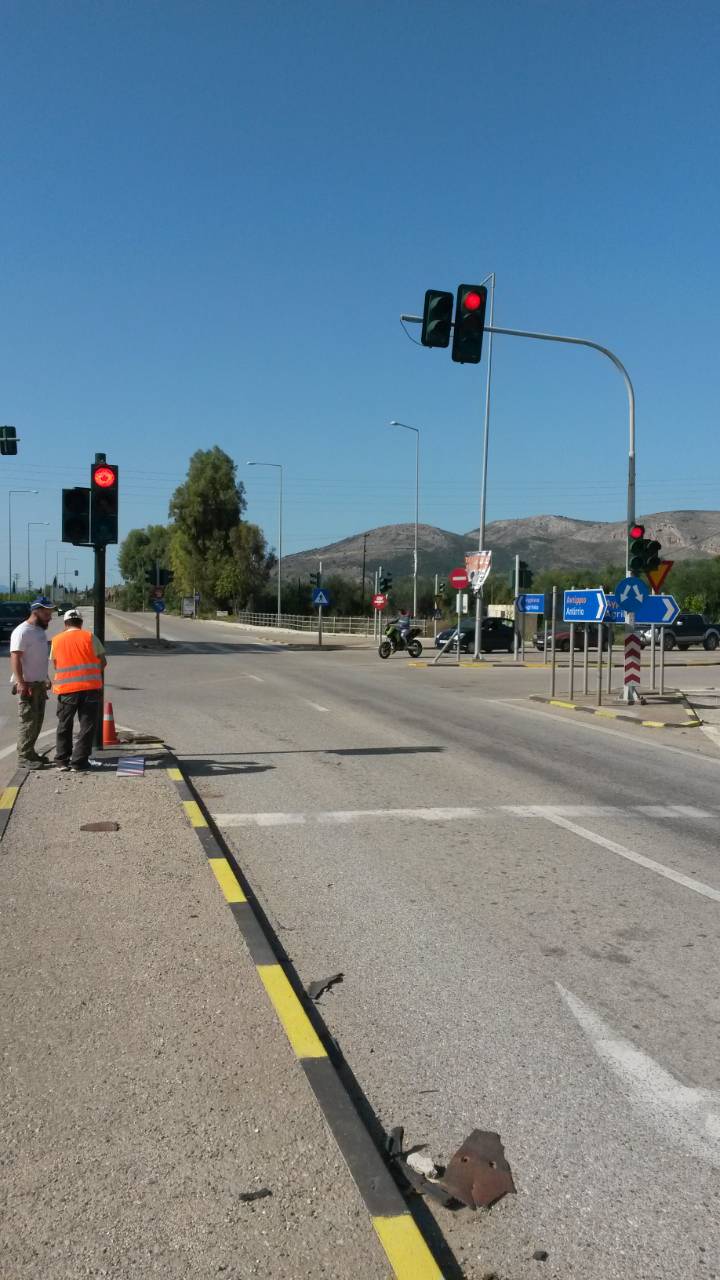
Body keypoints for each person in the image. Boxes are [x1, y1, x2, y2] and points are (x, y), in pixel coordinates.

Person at [50, 608, 106, 772]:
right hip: (90, 688)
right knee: (87, 726)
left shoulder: (56, 640)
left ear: (65, 623)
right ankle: (79, 762)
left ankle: (62, 760)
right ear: (80, 623)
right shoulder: (90, 637)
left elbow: (55, 664)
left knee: (64, 724)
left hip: (66, 689)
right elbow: (103, 662)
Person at [9, 597, 54, 770]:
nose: (50, 617)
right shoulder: (22, 631)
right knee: (28, 722)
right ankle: (24, 757)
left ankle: (31, 753)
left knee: (37, 721)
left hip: (39, 684)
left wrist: (46, 677)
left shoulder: (40, 631)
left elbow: (39, 658)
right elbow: (15, 657)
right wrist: (20, 682)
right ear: (37, 611)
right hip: (27, 685)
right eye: (47, 613)